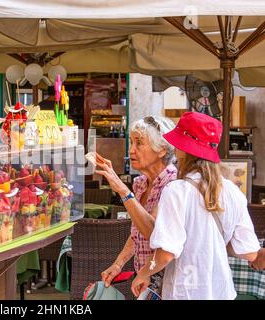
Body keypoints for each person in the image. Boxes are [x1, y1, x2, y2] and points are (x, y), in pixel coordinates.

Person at [131, 112, 261, 300]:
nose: (174, 150)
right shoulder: (232, 191)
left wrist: (144, 272)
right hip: (222, 291)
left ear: (185, 149)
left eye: (177, 145)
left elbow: (166, 254)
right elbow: (249, 253)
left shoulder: (176, 191)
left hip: (184, 292)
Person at [95, 116, 177, 290]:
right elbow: (137, 232)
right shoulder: (141, 183)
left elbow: (152, 232)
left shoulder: (173, 184)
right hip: (146, 280)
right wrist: (118, 264)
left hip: (169, 282)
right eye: (131, 142)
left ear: (161, 149)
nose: (131, 150)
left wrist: (123, 191)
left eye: (139, 143)